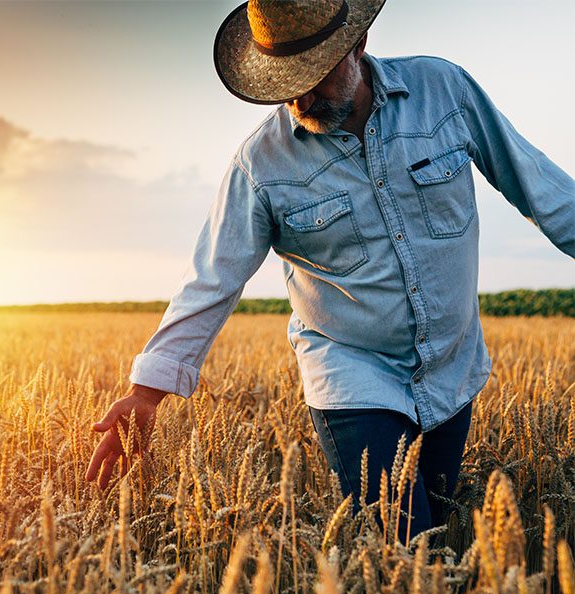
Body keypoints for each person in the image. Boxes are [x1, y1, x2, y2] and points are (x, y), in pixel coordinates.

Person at [84, 0, 574, 541]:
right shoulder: (262, 164)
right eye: (284, 82)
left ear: (357, 46)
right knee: (404, 544)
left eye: (315, 76)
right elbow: (212, 278)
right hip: (351, 374)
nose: (302, 97)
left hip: (451, 373)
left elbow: (538, 185)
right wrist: (147, 393)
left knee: (437, 537)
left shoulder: (445, 93)